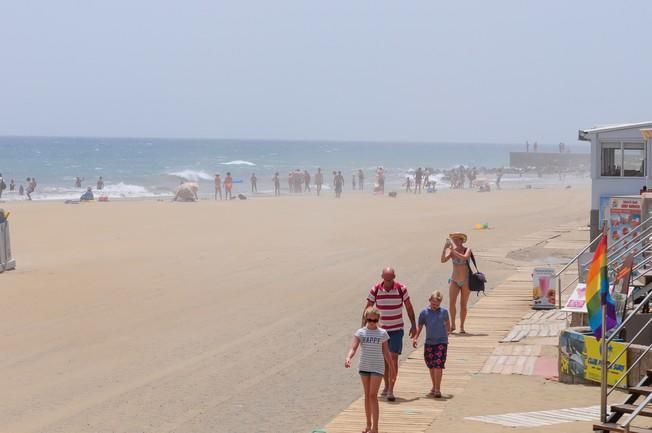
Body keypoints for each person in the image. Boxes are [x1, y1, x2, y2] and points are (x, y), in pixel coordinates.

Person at [362, 267, 417, 401]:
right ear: (382, 277)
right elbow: (368, 309)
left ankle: (391, 389)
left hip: (397, 329)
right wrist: (363, 328)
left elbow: (409, 307)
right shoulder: (375, 289)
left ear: (394, 277)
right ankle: (386, 386)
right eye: (386, 279)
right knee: (384, 360)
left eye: (390, 279)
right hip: (381, 331)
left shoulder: (401, 288)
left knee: (393, 358)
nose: (388, 282)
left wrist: (413, 325)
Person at [345, 306, 394, 433]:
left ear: (378, 319)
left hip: (377, 366)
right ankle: (368, 424)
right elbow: (354, 347)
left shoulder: (382, 333)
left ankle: (375, 428)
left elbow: (387, 353)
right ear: (366, 318)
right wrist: (348, 357)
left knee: (373, 395)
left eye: (374, 320)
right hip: (364, 365)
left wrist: (392, 369)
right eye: (369, 319)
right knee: (367, 395)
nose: (371, 322)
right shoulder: (360, 332)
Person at [412, 291, 450, 398]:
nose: (435, 306)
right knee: (431, 365)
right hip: (429, 342)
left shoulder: (444, 312)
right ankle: (434, 386)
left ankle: (437, 389)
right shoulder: (424, 313)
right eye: (433, 304)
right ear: (429, 301)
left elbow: (448, 323)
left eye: (437, 305)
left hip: (441, 342)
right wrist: (415, 338)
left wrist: (448, 332)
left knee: (438, 365)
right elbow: (420, 327)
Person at [441, 232, 472, 333]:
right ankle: (453, 324)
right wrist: (445, 248)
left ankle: (462, 326)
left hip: (466, 281)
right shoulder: (451, 251)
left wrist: (453, 251)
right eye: (454, 239)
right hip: (454, 280)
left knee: (463, 304)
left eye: (457, 239)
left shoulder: (467, 250)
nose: (455, 241)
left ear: (462, 240)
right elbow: (443, 260)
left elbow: (465, 257)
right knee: (452, 303)